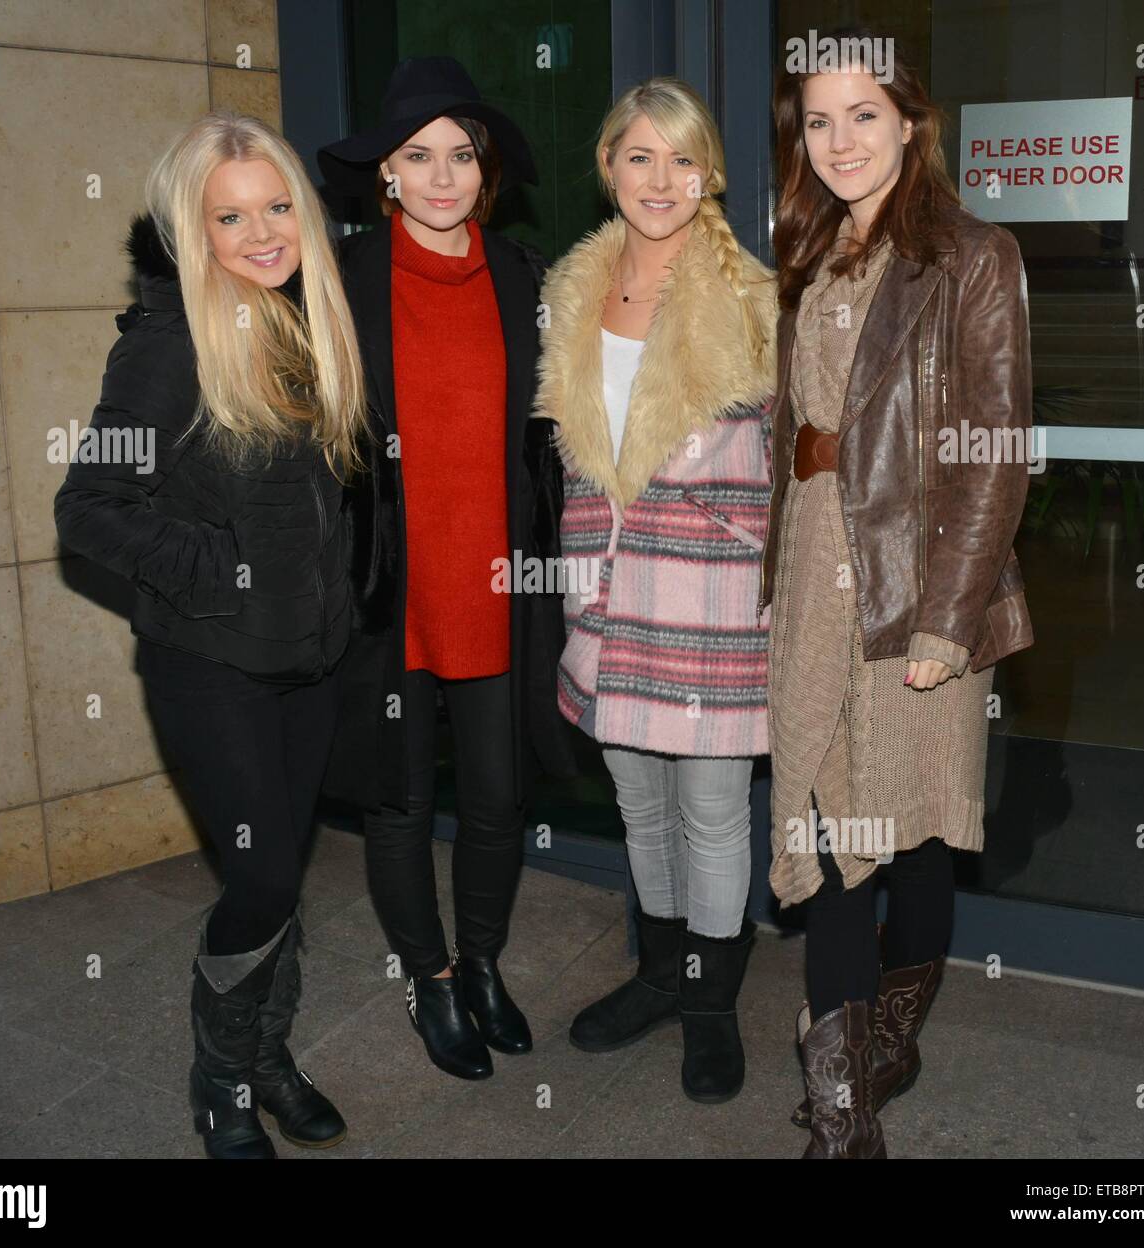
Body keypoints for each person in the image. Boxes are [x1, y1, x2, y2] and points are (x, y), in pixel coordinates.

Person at [54, 112, 367, 1158]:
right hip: (213, 664)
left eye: (278, 206)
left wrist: (343, 595)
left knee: (280, 872)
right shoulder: (167, 346)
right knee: (264, 880)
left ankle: (269, 1056)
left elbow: (323, 502)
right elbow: (89, 506)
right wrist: (226, 574)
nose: (264, 231)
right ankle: (223, 1079)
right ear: (194, 231)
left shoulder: (302, 321)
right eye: (231, 216)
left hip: (309, 663)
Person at [763, 32, 1035, 1157]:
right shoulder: (807, 250)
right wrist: (773, 579)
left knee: (910, 829)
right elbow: (791, 434)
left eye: (862, 115)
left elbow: (993, 451)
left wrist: (947, 617)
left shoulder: (973, 256)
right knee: (828, 825)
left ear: (911, 121)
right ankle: (846, 1120)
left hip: (914, 579)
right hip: (813, 566)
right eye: (818, 121)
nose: (839, 142)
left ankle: (874, 1054)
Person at [317, 57, 574, 1081]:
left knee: (501, 796)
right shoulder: (338, 281)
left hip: (500, 587)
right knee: (401, 802)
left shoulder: (527, 276)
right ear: (384, 173)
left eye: (459, 155)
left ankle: (480, 963)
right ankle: (426, 979)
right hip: (390, 585)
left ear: (486, 169)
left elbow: (554, 437)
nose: (439, 176)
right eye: (415, 157)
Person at [534, 78, 778, 1104]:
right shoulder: (569, 291)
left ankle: (710, 1004)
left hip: (712, 588)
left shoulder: (757, 295)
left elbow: (806, 460)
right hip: (605, 575)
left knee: (715, 808)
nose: (661, 179)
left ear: (709, 172)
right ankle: (659, 974)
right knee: (639, 804)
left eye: (682, 159)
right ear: (608, 167)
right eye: (640, 156)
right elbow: (571, 455)